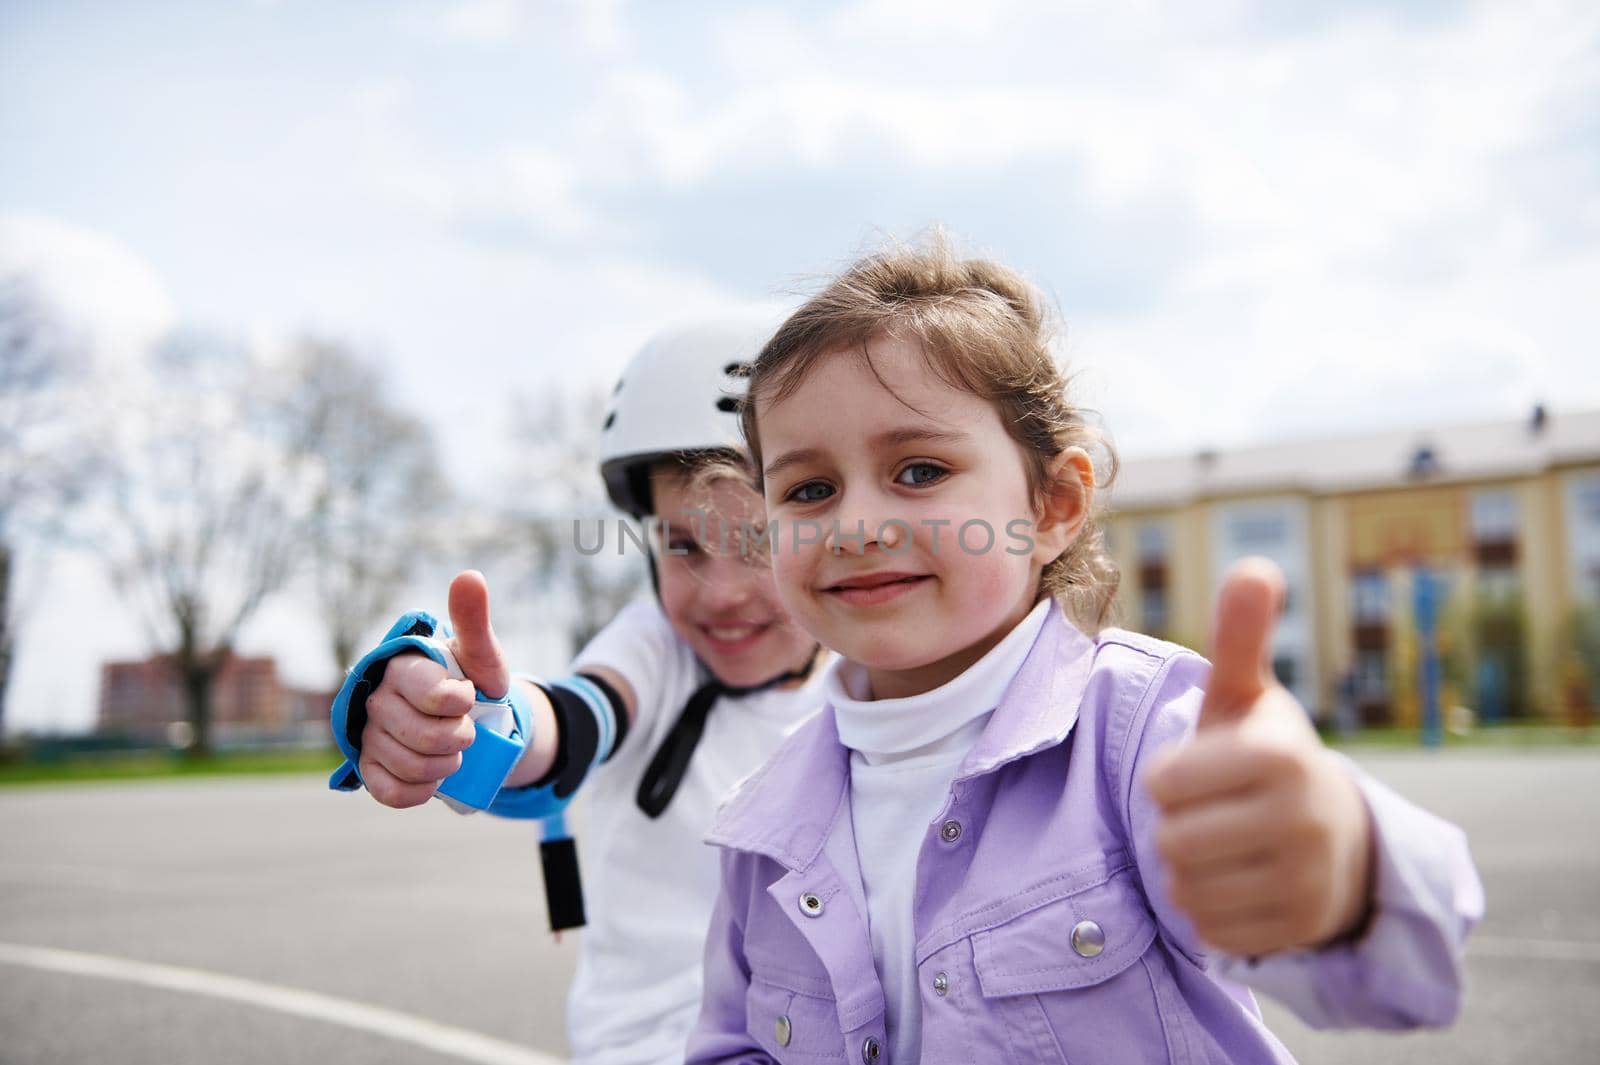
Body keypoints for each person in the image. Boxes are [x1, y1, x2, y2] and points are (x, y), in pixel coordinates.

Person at [686, 242, 1483, 1064]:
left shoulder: (1142, 737)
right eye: (808, 490)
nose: (855, 525)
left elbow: (1405, 977)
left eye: (920, 470)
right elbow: (731, 1046)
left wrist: (1345, 872)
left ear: (1055, 505)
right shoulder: (766, 822)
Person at [329, 316, 830, 1065]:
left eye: (757, 541)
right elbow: (573, 715)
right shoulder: (655, 650)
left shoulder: (869, 685)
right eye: (682, 544)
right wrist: (475, 715)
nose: (720, 593)